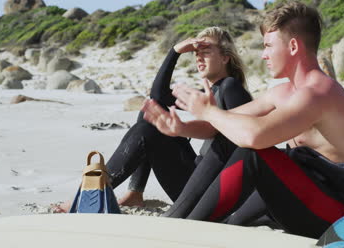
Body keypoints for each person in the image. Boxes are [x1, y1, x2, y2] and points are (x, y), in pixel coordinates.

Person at [143, 1, 344, 239]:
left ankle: (182, 230)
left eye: (268, 45)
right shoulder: (283, 92)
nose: (263, 55)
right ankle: (184, 221)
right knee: (232, 139)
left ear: (293, 46)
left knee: (252, 151)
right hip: (305, 193)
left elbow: (254, 136)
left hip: (341, 212)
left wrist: (209, 111)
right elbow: (227, 124)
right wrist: (182, 127)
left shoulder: (318, 93)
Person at [54, 26, 252, 212]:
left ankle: (91, 192)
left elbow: (237, 146)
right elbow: (156, 95)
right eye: (196, 54)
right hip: (197, 175)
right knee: (150, 112)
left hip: (209, 188)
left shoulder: (231, 87)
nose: (199, 58)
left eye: (206, 52)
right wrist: (175, 51)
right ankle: (135, 192)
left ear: (225, 57)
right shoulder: (211, 91)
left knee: (147, 130)